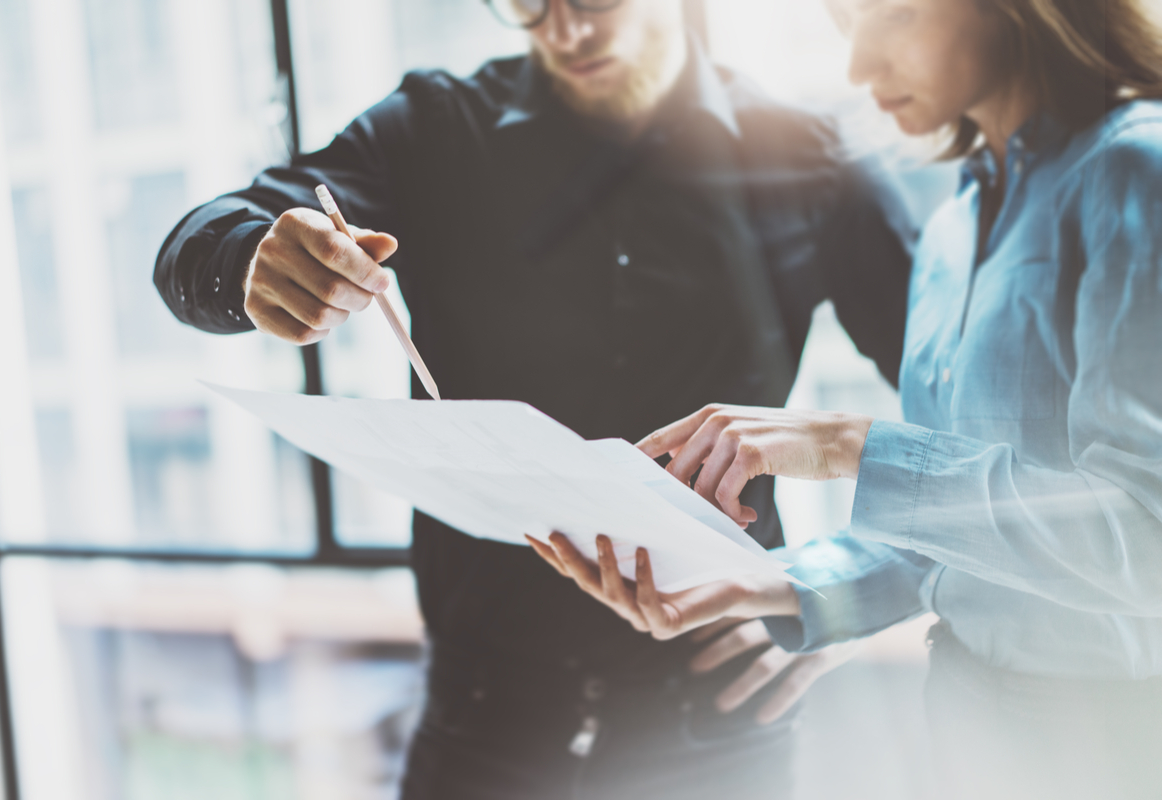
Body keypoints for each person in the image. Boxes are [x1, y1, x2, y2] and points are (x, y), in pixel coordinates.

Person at [155, 0, 914, 796]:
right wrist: (250, 258)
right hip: (480, 725)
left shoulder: (810, 158)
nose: (565, 31)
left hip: (719, 726)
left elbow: (960, 410)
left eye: (594, 1)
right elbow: (196, 241)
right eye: (528, 4)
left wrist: (852, 595)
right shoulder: (434, 128)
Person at [535, 0, 1162, 796]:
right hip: (968, 723)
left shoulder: (1138, 170)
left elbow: (1147, 539)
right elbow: (958, 536)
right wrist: (764, 583)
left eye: (892, 15)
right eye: (843, 25)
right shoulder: (954, 227)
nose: (859, 68)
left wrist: (848, 447)